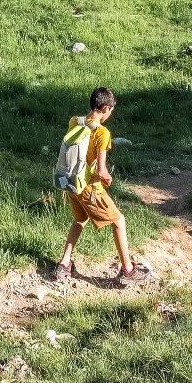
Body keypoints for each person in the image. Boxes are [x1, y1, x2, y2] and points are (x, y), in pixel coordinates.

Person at [55, 86, 138, 283]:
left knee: (80, 220)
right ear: (106, 108)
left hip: (72, 185)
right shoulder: (103, 133)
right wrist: (108, 178)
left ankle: (64, 263)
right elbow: (101, 170)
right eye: (111, 110)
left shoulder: (74, 121)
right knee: (119, 221)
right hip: (90, 189)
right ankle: (128, 270)